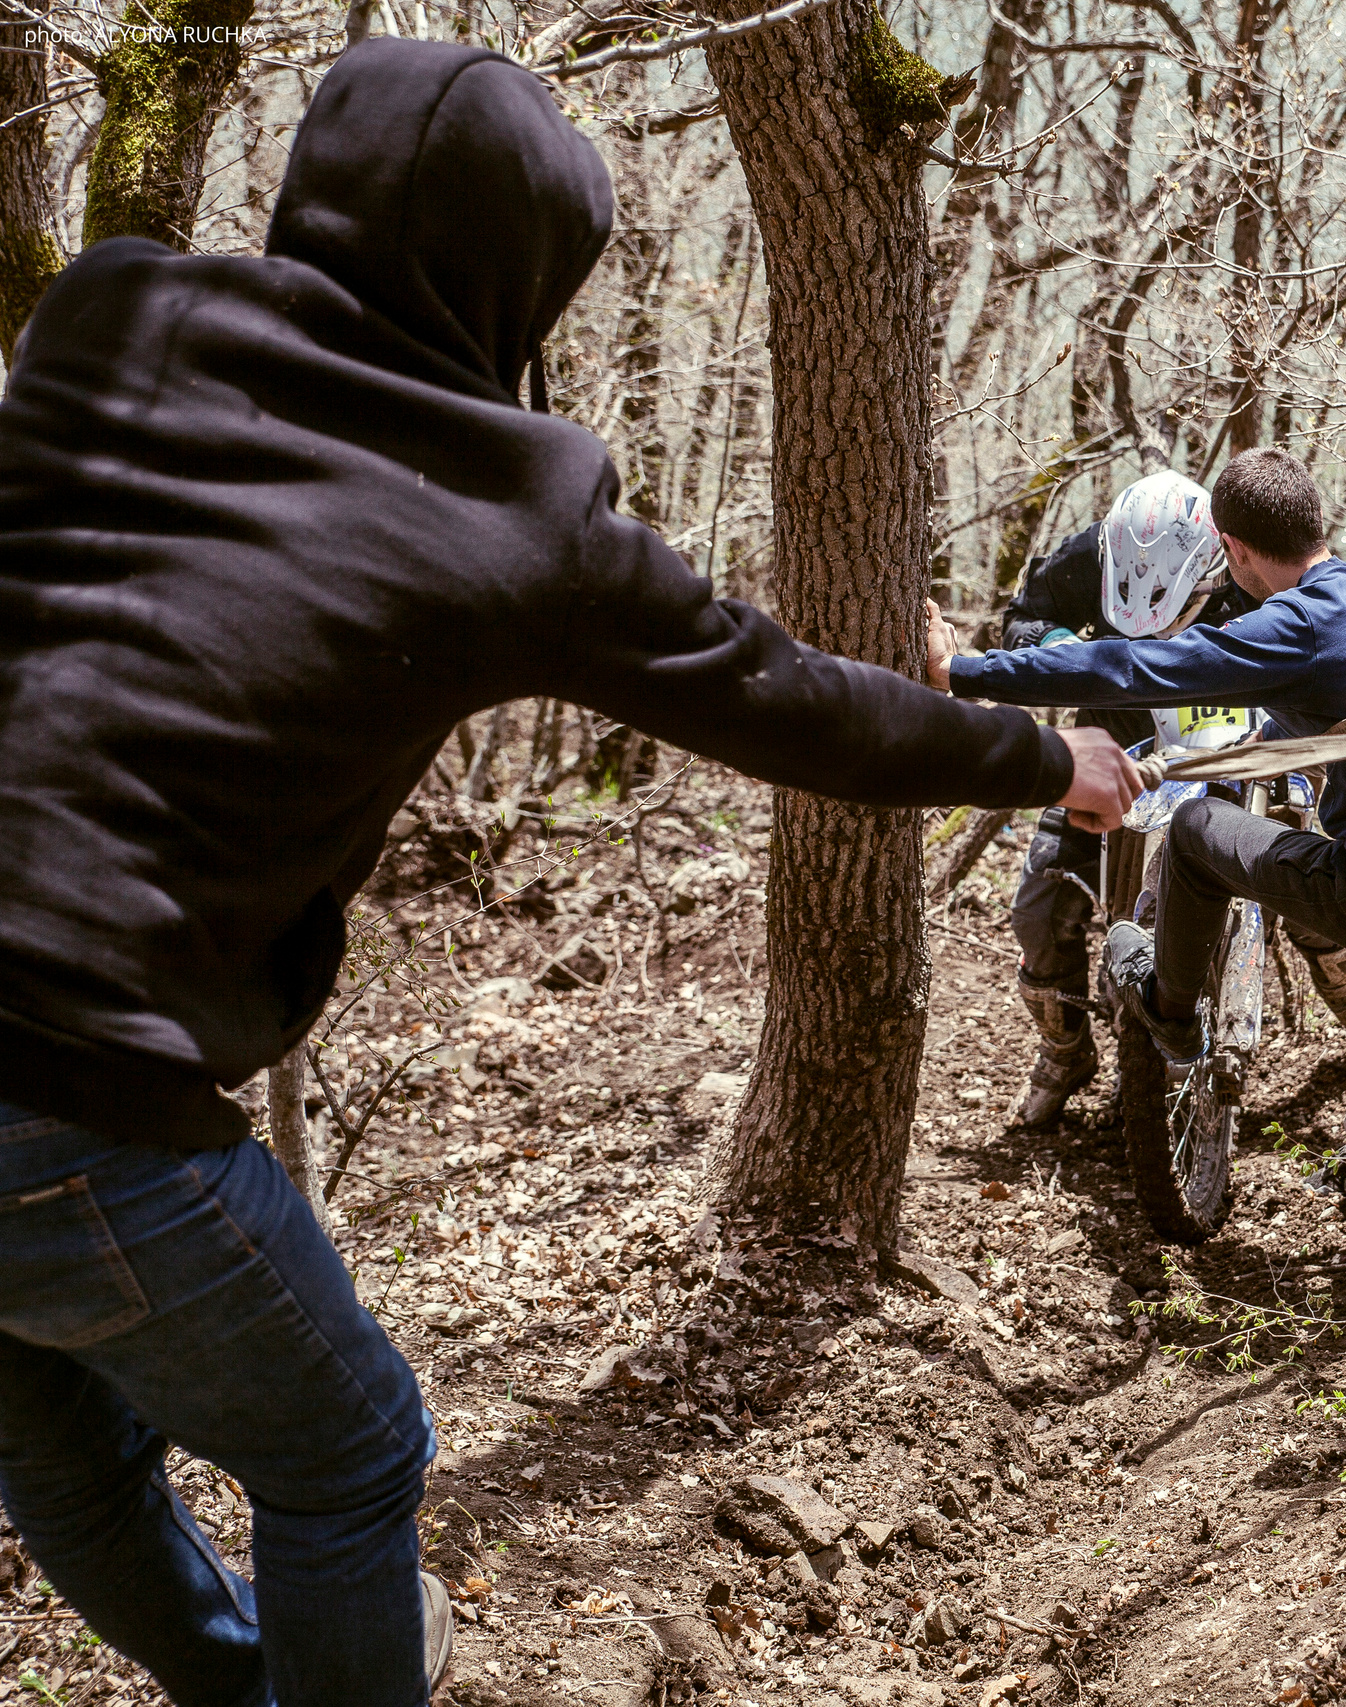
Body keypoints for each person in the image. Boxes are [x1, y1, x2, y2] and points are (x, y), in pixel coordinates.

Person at [0, 41, 1140, 1707]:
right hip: (79, 1093)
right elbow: (785, 699)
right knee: (351, 1449)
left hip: (62, 1071)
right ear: (527, 276)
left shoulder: (111, 314)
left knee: (77, 1454)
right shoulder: (517, 509)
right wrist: (1048, 756)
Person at [931, 448, 1346, 1210]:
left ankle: (1169, 1014)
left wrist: (962, 673)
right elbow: (1318, 715)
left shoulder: (1294, 628)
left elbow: (1131, 670)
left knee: (1200, 829)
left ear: (1232, 551)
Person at [989, 473, 1346, 1127]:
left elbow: (1328, 633)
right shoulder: (1089, 553)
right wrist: (1053, 644)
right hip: (1117, 741)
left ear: (1217, 561)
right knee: (1042, 897)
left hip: (1240, 743)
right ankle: (1063, 1050)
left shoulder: (1253, 572)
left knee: (1304, 866)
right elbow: (1021, 614)